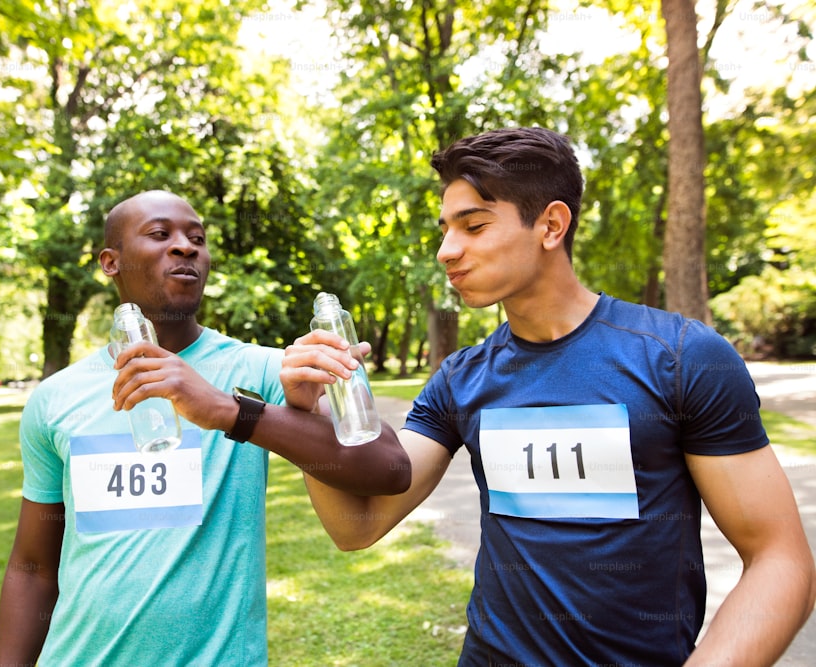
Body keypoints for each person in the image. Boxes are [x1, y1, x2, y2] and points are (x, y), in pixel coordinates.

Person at [281, 128, 816, 666]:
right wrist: (307, 415)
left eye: (474, 225)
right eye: (445, 229)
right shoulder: (460, 378)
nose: (446, 251)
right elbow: (358, 525)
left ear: (551, 225)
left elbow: (779, 560)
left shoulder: (681, 357)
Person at [0, 190, 410, 666]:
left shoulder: (265, 372)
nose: (186, 246)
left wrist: (230, 411)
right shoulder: (54, 399)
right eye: (160, 234)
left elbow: (390, 469)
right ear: (111, 262)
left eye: (197, 238)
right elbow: (32, 569)